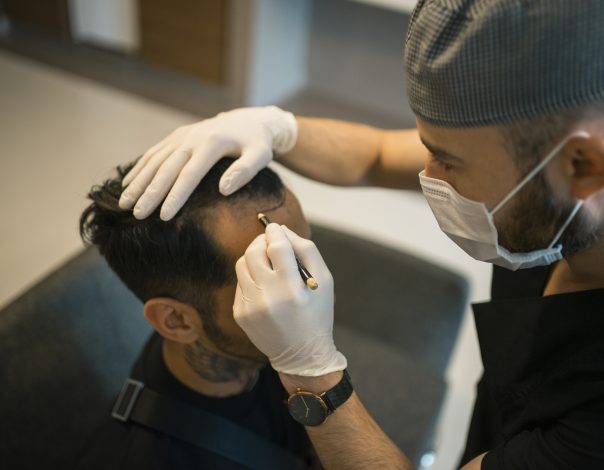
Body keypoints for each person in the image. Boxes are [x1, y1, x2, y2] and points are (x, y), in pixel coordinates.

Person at [117, 1, 604, 469]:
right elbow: (375, 154)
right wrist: (277, 127)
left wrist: (311, 371)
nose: (426, 175)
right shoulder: (555, 186)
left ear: (582, 165)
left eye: (450, 162)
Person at [75, 158, 321, 469]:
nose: (315, 290)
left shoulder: (259, 347)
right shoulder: (157, 457)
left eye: (302, 254)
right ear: (175, 320)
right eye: (271, 276)